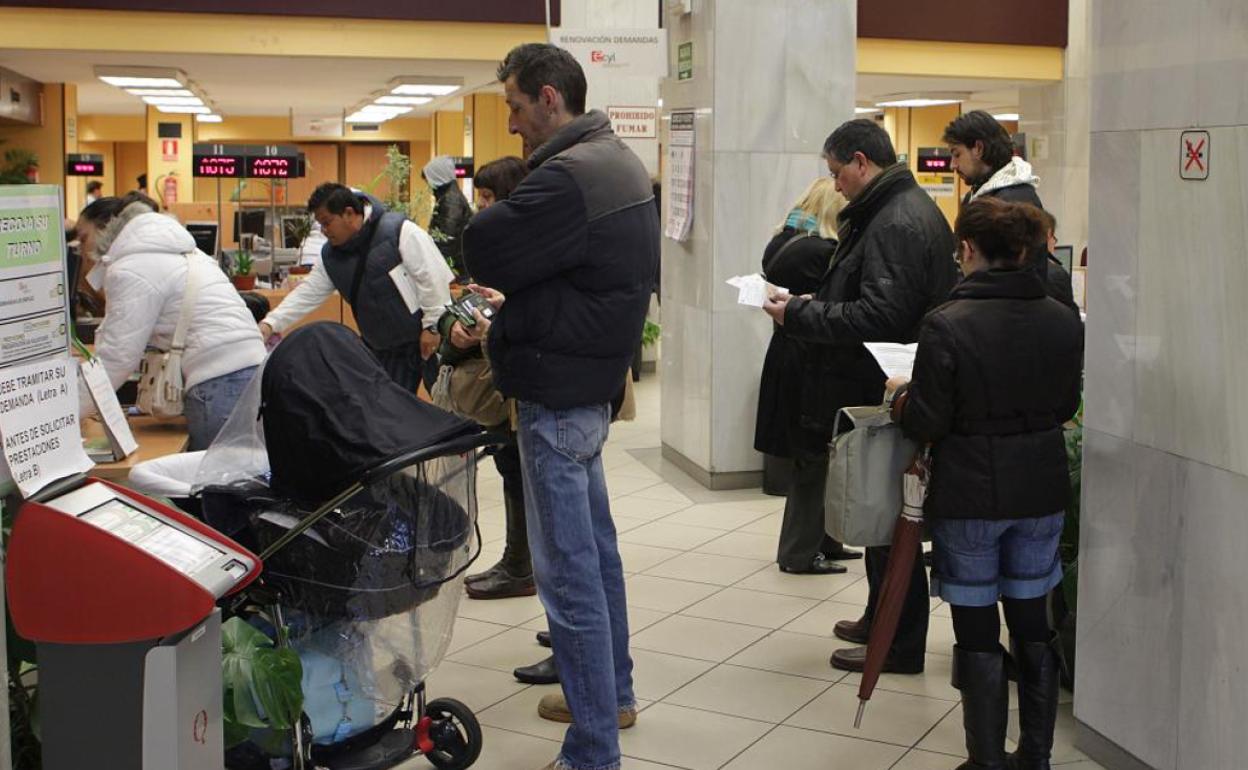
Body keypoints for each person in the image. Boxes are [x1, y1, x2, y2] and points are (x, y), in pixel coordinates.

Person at [462, 43, 658, 770]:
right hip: (589, 388)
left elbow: (482, 245)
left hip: (558, 396)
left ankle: (592, 750)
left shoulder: (568, 179)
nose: (510, 124)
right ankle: (615, 697)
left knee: (569, 574)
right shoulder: (618, 160)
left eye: (514, 105)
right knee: (597, 559)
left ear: (549, 97)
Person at [888, 198, 1083, 770]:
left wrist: (900, 396)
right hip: (1041, 490)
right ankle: (1037, 756)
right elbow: (1067, 403)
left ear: (967, 250)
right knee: (1032, 623)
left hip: (971, 493)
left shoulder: (947, 324)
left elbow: (928, 420)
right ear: (1026, 251)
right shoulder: (1061, 318)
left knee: (976, 632)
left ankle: (986, 761)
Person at [763, 118, 958, 675]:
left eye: (836, 173)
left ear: (860, 162)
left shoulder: (896, 221)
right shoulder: (892, 211)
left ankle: (898, 641)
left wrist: (800, 312)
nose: (836, 186)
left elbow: (884, 316)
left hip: (890, 388)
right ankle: (880, 618)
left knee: (891, 519)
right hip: (880, 385)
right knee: (880, 518)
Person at [76, 193, 266, 450]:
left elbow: (116, 358)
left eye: (84, 238)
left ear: (105, 228)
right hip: (247, 371)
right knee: (236, 474)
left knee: (218, 480)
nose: (81, 249)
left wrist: (62, 418)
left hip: (218, 380)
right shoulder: (171, 249)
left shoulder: (133, 266)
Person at [756, 178, 861, 575]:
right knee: (816, 458)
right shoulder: (824, 253)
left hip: (788, 355)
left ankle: (824, 540)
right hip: (815, 361)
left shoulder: (783, 242)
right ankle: (801, 552)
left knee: (815, 456)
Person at [444, 157, 537, 600]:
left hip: (521, 387)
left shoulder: (533, 250)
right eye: (478, 199)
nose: (480, 208)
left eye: (487, 199)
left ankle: (522, 567)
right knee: (510, 469)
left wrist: (490, 329)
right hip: (498, 381)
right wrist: (454, 329)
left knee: (522, 475)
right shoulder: (495, 244)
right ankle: (517, 561)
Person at [258, 184, 453, 392]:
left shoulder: (398, 230)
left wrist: (432, 326)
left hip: (428, 338)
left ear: (349, 214)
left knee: (448, 402)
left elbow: (433, 277)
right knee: (390, 413)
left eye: (327, 223)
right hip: (385, 350)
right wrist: (271, 323)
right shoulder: (331, 258)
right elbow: (307, 293)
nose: (324, 231)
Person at [943, 111, 1076, 310]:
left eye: (957, 154)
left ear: (978, 148)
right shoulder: (991, 194)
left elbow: (1006, 277)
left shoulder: (1008, 204)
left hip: (1001, 318)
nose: (952, 165)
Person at [422, 156, 472, 274]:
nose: (428, 185)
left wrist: (436, 267)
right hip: (455, 265)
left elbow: (446, 239)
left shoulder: (451, 200)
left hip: (453, 268)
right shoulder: (449, 196)